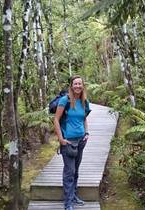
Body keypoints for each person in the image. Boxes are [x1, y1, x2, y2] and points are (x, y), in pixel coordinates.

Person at [53, 75, 91, 210]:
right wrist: (61, 139)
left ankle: (73, 195)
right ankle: (68, 203)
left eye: (80, 84)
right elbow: (56, 120)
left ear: (83, 85)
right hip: (68, 142)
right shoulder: (65, 100)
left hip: (81, 141)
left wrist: (87, 133)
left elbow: (84, 118)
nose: (78, 86)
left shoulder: (84, 101)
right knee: (69, 172)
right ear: (71, 86)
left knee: (75, 171)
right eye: (75, 84)